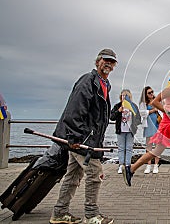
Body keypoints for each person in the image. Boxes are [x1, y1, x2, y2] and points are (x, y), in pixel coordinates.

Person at [49, 49, 117, 224]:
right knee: (95, 173)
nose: (108, 63)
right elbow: (74, 110)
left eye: (112, 61)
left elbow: (99, 117)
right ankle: (92, 214)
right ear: (97, 62)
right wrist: (74, 138)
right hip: (82, 140)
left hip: (88, 139)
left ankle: (59, 213)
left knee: (72, 176)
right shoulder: (88, 81)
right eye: (105, 60)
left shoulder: (104, 84)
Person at [110, 89, 141, 174]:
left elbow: (138, 119)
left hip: (130, 131)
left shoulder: (133, 106)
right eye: (123, 95)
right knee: (121, 148)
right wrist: (118, 111)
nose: (124, 97)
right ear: (121, 97)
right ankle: (121, 165)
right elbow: (111, 117)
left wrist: (133, 124)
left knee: (129, 148)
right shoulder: (118, 106)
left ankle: (127, 165)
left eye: (126, 96)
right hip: (120, 130)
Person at [139, 86, 160, 174]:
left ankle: (156, 165)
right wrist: (152, 110)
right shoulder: (143, 103)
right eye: (149, 93)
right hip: (148, 125)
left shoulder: (157, 101)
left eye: (152, 92)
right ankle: (148, 165)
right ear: (145, 94)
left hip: (157, 124)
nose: (151, 94)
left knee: (158, 146)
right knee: (149, 146)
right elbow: (142, 113)